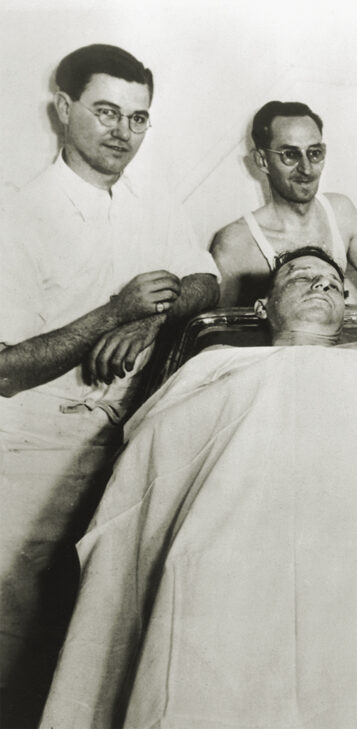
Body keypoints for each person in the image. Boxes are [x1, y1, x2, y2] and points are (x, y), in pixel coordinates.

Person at [40, 248, 357, 728]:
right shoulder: (220, 360)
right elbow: (158, 443)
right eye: (302, 277)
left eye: (334, 285)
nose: (322, 286)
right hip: (235, 500)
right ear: (263, 307)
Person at [0, 44, 219, 724]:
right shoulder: (15, 213)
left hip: (126, 444)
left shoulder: (149, 201)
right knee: (15, 637)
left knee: (101, 637)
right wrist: (114, 314)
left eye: (138, 117)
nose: (123, 132)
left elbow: (206, 282)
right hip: (31, 451)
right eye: (105, 111)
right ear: (61, 110)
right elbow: (6, 367)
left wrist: (152, 325)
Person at [211, 101, 357, 307]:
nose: (307, 169)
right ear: (262, 161)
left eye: (314, 153)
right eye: (290, 155)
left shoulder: (340, 211)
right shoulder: (236, 241)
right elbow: (218, 331)